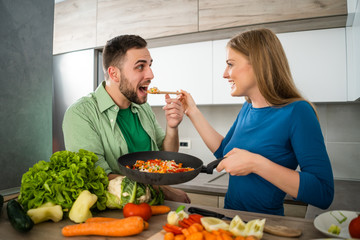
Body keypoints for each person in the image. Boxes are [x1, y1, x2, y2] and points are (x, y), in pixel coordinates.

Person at [180, 28, 334, 215]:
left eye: (230, 64)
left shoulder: (298, 112)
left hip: (265, 225)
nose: (224, 74)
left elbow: (323, 192)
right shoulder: (248, 108)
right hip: (231, 220)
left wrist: (256, 164)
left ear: (259, 65)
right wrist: (192, 112)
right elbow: (225, 152)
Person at [63, 34, 190, 203]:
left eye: (150, 65)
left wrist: (172, 127)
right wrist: (164, 190)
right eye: (140, 67)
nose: (151, 74)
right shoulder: (80, 114)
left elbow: (167, 158)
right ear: (114, 74)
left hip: (153, 205)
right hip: (115, 215)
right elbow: (99, 177)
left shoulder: (142, 107)